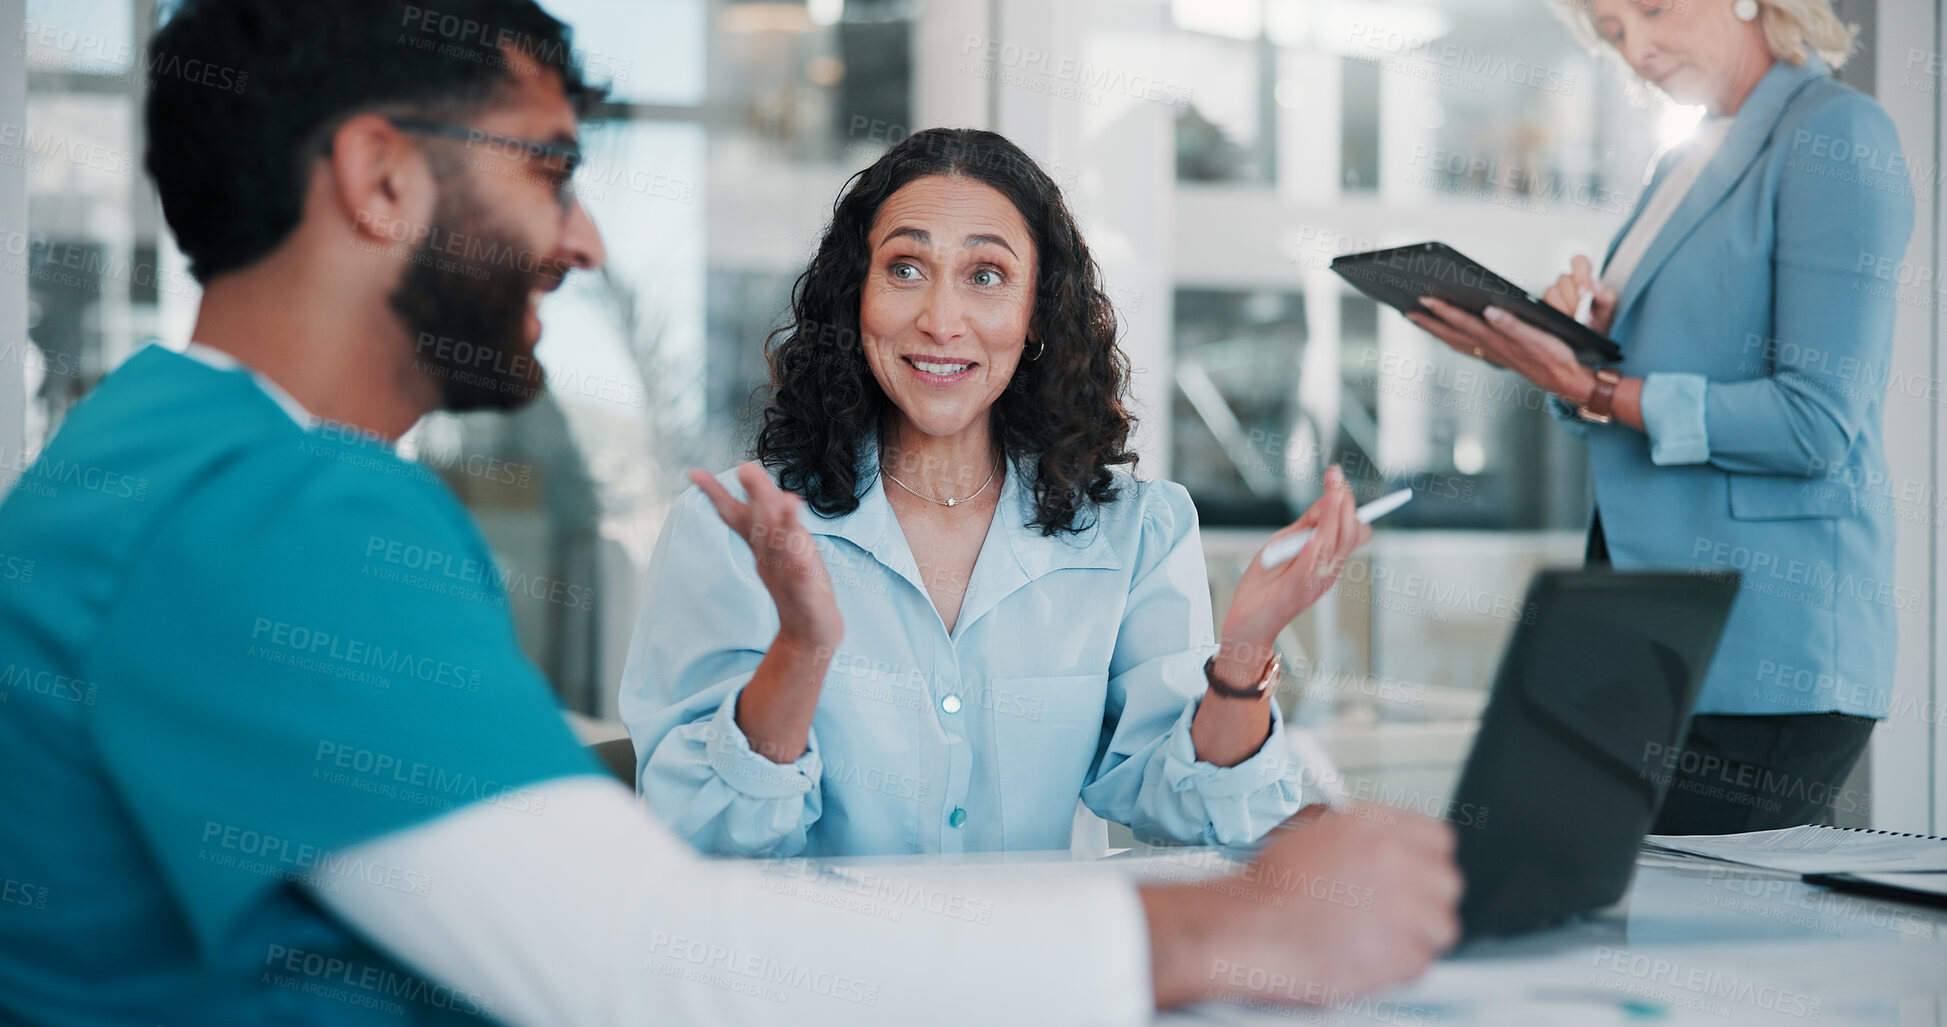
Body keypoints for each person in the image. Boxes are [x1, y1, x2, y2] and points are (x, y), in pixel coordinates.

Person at [0, 1, 1461, 1023]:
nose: (582, 238)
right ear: (382, 177)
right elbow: (648, 962)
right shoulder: (263, 514)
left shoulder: (165, 463)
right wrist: (1232, 929)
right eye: (550, 170)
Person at [620, 128, 1370, 858]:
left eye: (985, 276)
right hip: (815, 946)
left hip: (1039, 949)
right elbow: (706, 834)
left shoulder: (1135, 531)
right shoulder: (736, 531)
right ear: (856, 298)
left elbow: (1199, 817)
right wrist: (802, 648)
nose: (941, 322)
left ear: (1036, 312)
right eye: (905, 268)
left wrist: (1244, 653)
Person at [1408, 0, 1912, 833]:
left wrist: (1594, 386)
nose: (1636, 49)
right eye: (1611, 31)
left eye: (1651, 9)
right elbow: (1631, 392)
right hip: (1649, 627)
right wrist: (1565, 354)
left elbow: (1815, 423)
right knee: (1600, 898)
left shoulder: (1835, 132)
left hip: (1765, 647)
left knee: (1691, 907)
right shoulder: (1683, 159)